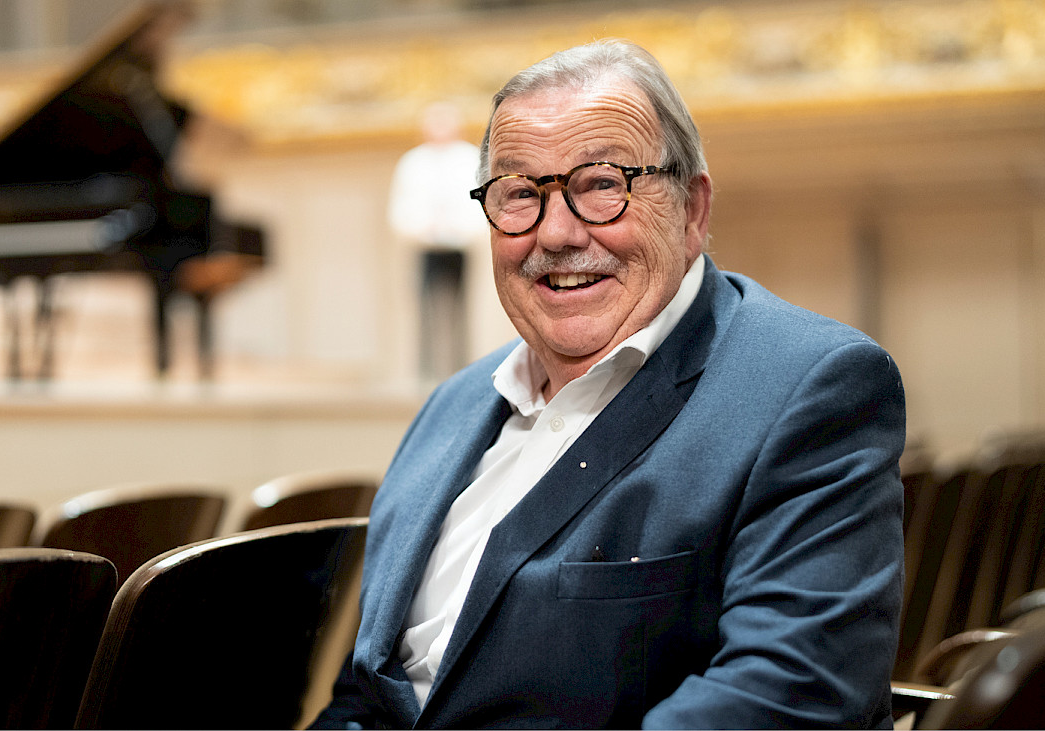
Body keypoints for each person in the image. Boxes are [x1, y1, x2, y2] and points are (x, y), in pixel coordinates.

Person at [315, 38, 905, 729]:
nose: (555, 233)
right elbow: (367, 693)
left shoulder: (809, 387)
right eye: (519, 193)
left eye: (601, 185)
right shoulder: (452, 406)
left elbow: (787, 695)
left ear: (692, 210)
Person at [387, 101, 489, 383]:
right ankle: (426, 374)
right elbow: (400, 209)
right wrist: (421, 228)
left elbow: (479, 203)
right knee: (426, 312)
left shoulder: (468, 158)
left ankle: (461, 371)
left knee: (460, 312)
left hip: (459, 248)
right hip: (426, 248)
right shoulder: (414, 162)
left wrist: (460, 229)